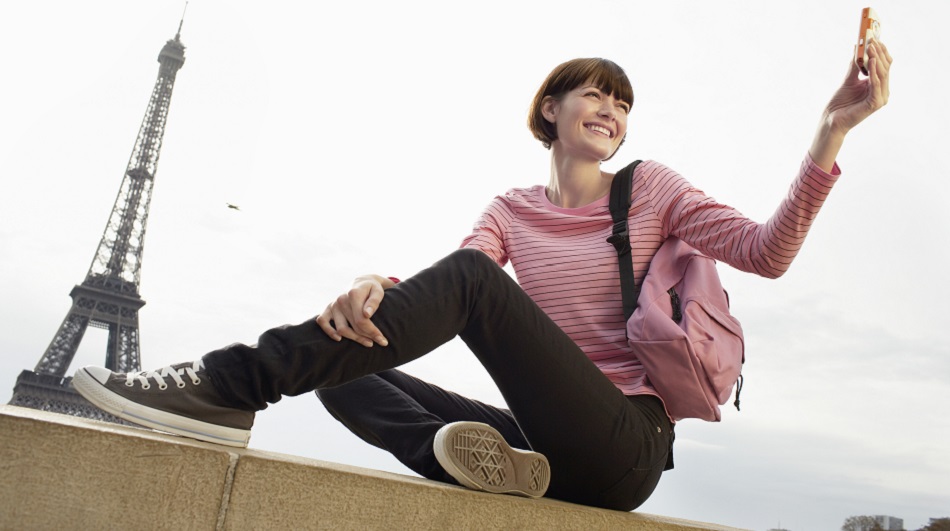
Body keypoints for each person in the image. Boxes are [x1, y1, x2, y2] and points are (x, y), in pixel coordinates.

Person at [72, 40, 891, 512]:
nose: (610, 111)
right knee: (346, 375)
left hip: (624, 444)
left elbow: (769, 250)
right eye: (594, 96)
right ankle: (449, 452)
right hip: (542, 444)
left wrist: (831, 131)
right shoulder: (511, 208)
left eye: (622, 103)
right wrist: (373, 283)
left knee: (459, 285)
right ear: (551, 111)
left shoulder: (654, 190)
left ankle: (230, 380)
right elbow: (450, 279)